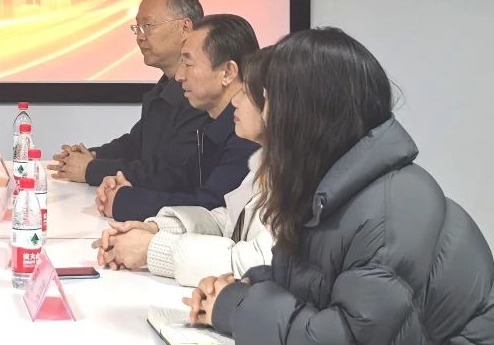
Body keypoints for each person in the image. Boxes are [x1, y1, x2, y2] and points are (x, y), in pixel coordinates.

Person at [185, 28, 494, 343]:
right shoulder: (331, 188)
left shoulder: (387, 210)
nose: (262, 113)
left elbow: (344, 337)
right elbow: (313, 285)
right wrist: (242, 287)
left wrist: (237, 307)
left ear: (306, 115)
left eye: (266, 100)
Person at [92, 46, 273, 287]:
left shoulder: (295, 176)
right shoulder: (267, 163)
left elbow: (256, 262)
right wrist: (156, 228)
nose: (236, 100)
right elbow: (227, 220)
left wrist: (152, 248)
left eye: (247, 93)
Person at [94, 13, 260, 221]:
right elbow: (181, 178)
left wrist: (126, 201)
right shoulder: (213, 122)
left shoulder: (249, 134)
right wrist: (126, 188)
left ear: (227, 72)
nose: (179, 76)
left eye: (188, 64)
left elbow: (212, 208)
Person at [50, 0, 208, 195]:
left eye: (148, 26)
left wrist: (90, 169)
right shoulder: (165, 87)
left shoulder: (201, 94)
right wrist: (91, 156)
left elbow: (168, 173)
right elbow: (136, 144)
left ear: (185, 28)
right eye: (137, 28)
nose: (140, 37)